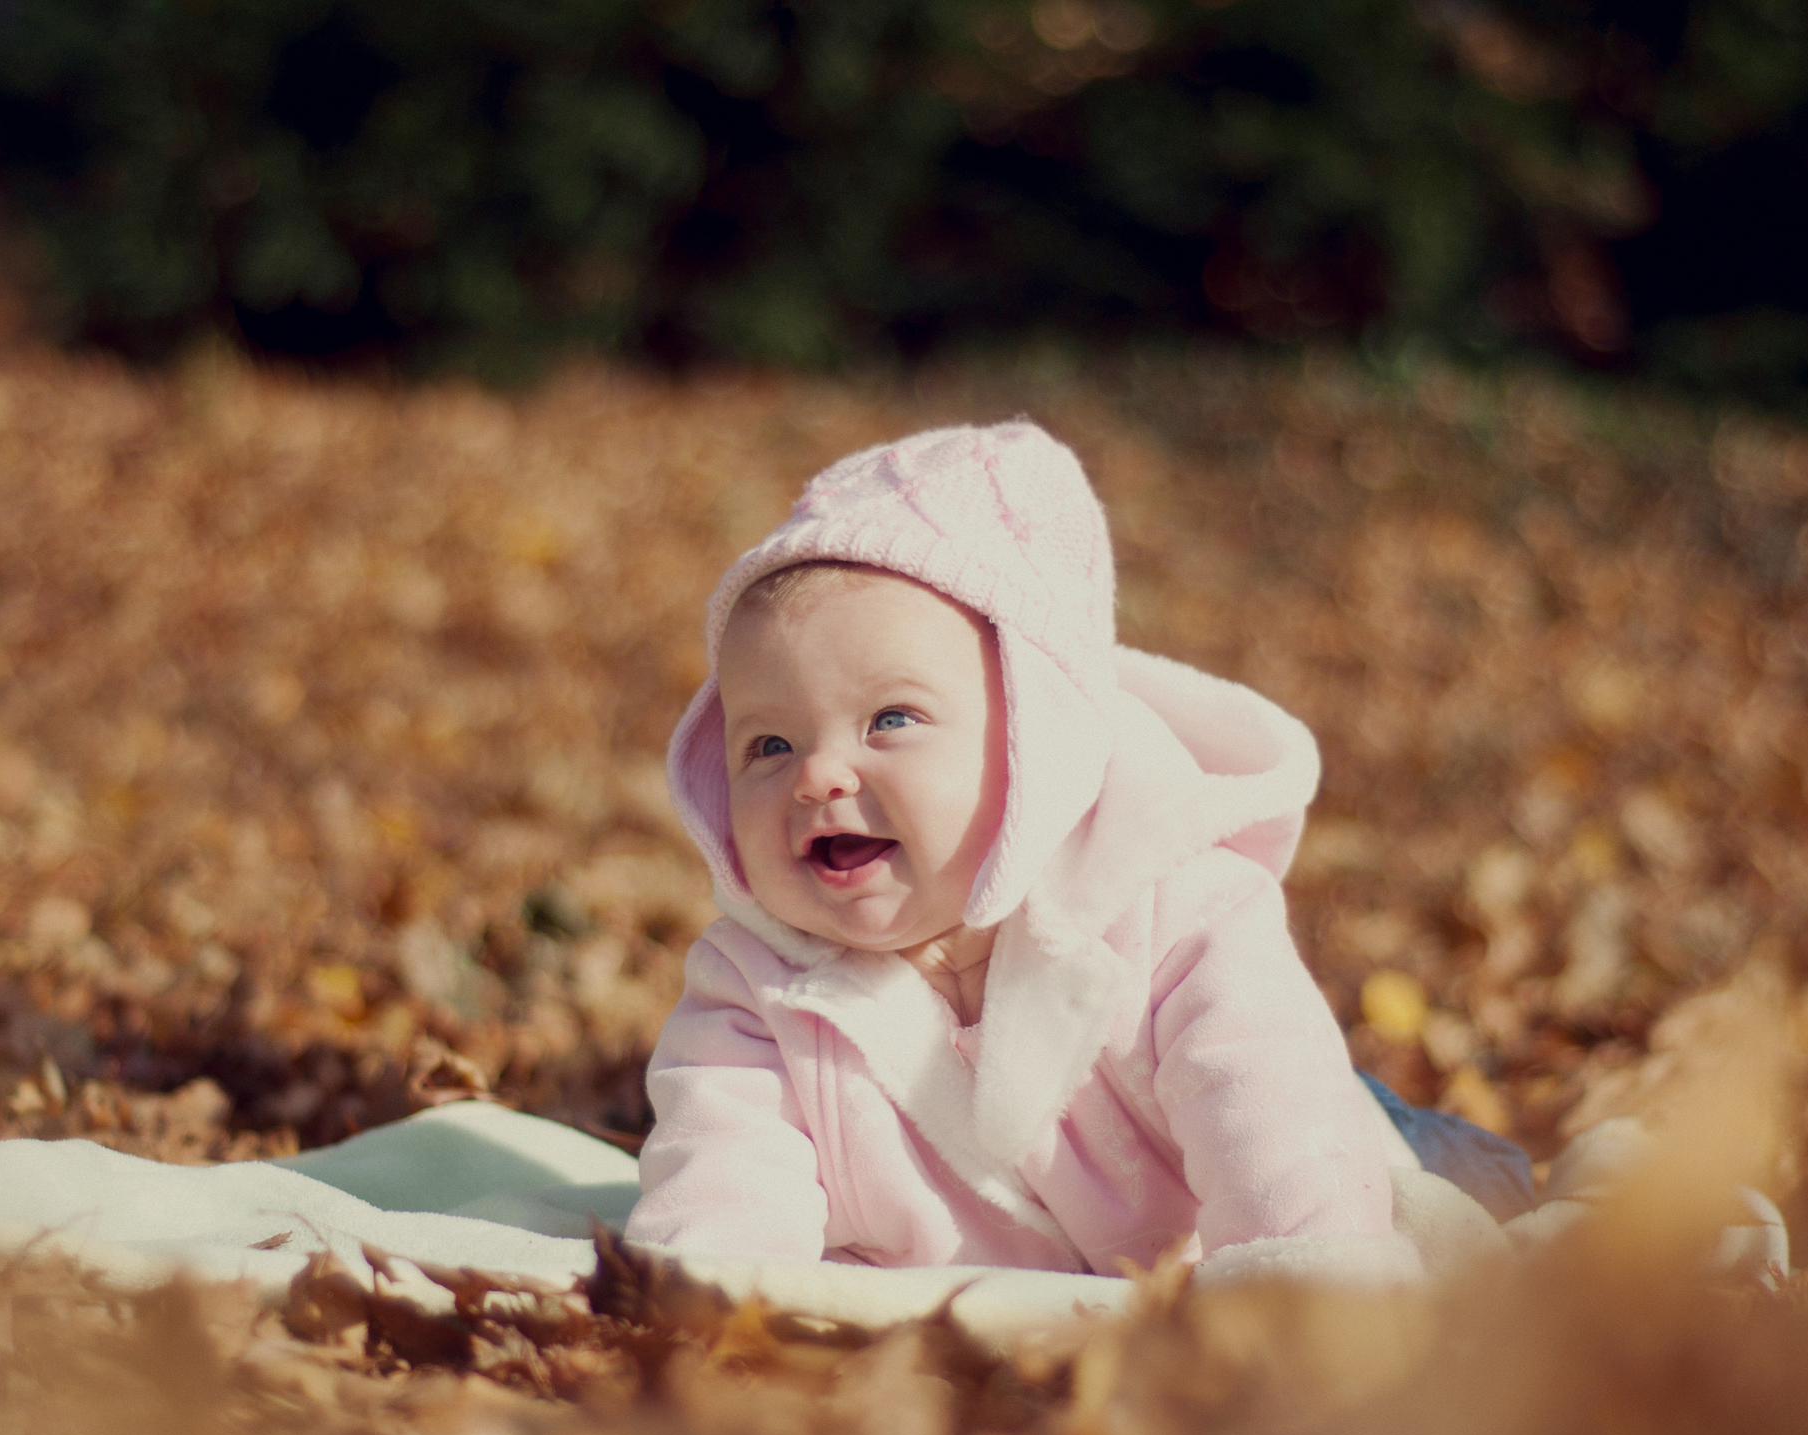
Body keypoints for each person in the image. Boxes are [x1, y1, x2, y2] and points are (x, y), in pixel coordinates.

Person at [624, 420, 1531, 1284]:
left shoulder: (1174, 910)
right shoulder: (755, 985)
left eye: (890, 720)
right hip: (1027, 1264)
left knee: (1448, 1192)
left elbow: (1263, 1099)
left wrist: (1307, 1265)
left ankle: (1513, 1164)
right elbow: (723, 1168)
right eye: (767, 746)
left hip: (1320, 1149)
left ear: (1035, 742)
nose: (818, 774)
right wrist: (700, 1296)